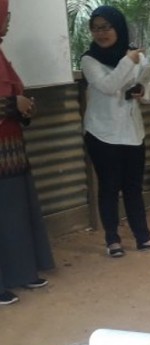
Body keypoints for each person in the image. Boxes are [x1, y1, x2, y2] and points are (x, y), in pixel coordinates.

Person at [81, 6, 150, 258]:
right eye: (96, 28)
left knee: (133, 186)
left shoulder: (135, 57)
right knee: (109, 187)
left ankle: (143, 237)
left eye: (106, 27)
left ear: (118, 28)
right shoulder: (89, 60)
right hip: (102, 133)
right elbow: (108, 86)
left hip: (132, 132)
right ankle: (113, 240)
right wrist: (127, 61)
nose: (101, 33)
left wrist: (143, 93)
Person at [0, 0, 54, 305]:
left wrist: (24, 106)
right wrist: (12, 105)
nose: (8, 21)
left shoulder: (1, 55)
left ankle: (22, 272)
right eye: (5, 16)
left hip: (12, 153)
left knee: (17, 215)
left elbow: (14, 92)